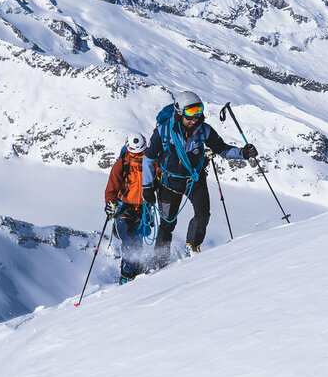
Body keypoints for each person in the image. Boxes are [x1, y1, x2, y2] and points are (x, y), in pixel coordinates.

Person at [142, 91, 257, 266]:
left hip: (194, 179)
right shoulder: (163, 132)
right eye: (190, 113)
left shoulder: (204, 130)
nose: (194, 118)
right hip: (170, 182)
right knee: (167, 224)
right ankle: (160, 262)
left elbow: (221, 149)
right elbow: (149, 159)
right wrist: (147, 187)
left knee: (203, 215)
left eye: (198, 111)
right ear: (179, 112)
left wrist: (243, 153)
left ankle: (192, 247)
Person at [105, 131, 147, 282]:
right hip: (124, 208)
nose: (138, 157)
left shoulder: (150, 162)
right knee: (129, 242)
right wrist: (110, 203)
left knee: (138, 242)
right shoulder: (121, 165)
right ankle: (128, 276)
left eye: (141, 153)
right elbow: (111, 188)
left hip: (143, 209)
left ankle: (137, 272)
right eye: (135, 154)